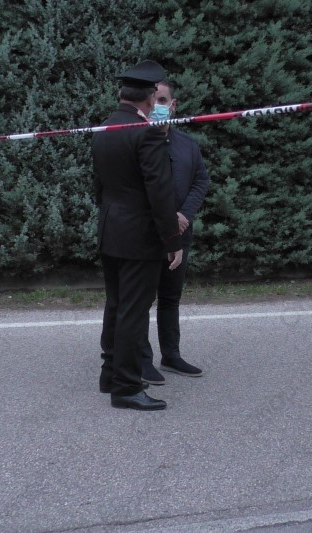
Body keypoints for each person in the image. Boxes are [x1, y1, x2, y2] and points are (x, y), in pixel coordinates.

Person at [92, 60, 183, 411]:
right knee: (133, 312)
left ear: (121, 94)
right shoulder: (147, 132)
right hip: (139, 235)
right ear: (148, 99)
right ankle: (127, 387)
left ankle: (110, 374)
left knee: (116, 305)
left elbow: (99, 185)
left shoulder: (103, 128)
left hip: (111, 228)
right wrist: (171, 240)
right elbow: (160, 192)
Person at [141, 79, 211, 385]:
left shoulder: (188, 145)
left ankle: (171, 355)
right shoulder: (138, 141)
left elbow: (200, 182)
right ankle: (142, 361)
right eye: (153, 100)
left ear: (173, 105)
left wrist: (184, 215)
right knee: (142, 301)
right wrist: (167, 219)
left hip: (181, 233)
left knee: (170, 298)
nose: (157, 106)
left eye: (162, 100)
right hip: (147, 235)